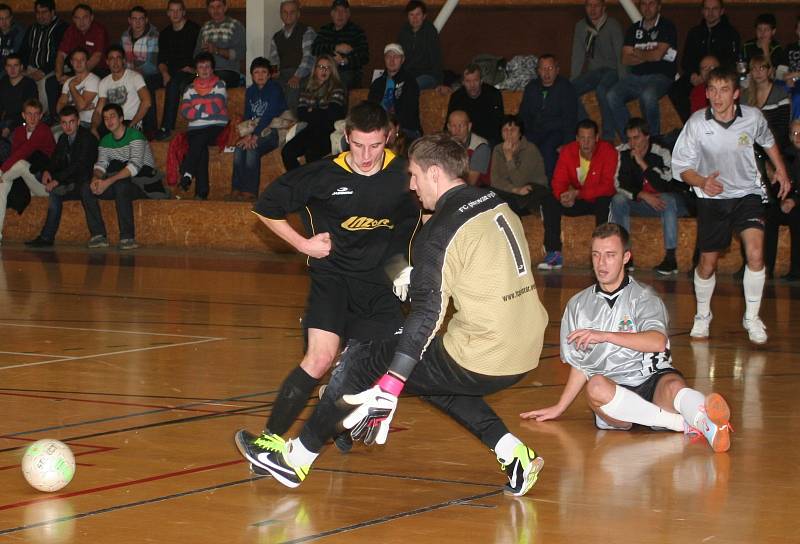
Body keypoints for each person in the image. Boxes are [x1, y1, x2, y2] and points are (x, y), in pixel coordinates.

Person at [234, 133, 548, 497]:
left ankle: (297, 458)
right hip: (527, 346)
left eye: (414, 176)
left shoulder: (440, 232)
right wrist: (417, 277)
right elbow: (476, 264)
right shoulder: (493, 199)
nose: (411, 186)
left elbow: (427, 316)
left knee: (369, 356)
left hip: (485, 353)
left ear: (434, 174)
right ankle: (514, 454)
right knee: (431, 374)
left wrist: (391, 383)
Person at [235, 101, 421, 468]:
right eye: (358, 145)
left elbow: (430, 210)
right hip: (332, 277)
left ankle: (336, 413)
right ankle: (269, 443)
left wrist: (409, 267)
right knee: (319, 357)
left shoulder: (406, 175)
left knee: (376, 370)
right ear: (345, 137)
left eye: (375, 146)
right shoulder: (321, 175)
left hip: (380, 285)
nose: (366, 156)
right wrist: (303, 244)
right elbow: (266, 207)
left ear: (389, 137)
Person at [520, 222, 733, 454]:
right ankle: (683, 424)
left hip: (652, 382)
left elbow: (657, 341)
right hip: (615, 398)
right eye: (596, 255)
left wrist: (606, 336)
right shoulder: (577, 306)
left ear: (626, 257)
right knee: (595, 386)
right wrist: (559, 407)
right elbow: (581, 365)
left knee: (673, 385)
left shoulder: (644, 297)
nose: (602, 263)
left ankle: (708, 424)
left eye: (610, 255)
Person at [671, 68, 791, 345]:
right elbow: (680, 168)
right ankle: (703, 315)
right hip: (712, 200)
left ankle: (752, 317)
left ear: (736, 93)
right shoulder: (697, 123)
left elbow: (769, 141)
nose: (716, 96)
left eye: (724, 89)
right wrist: (702, 181)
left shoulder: (752, 118)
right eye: (712, 89)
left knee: (756, 253)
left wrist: (781, 171)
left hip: (748, 194)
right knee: (707, 264)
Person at [610, 117, 688, 275]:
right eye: (629, 138)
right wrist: (642, 195)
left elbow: (666, 184)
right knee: (617, 200)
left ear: (646, 136)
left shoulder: (662, 150)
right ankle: (626, 255)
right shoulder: (623, 152)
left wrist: (643, 164)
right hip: (641, 202)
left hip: (666, 201)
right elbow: (619, 184)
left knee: (668, 199)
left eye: (636, 138)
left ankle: (670, 258)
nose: (632, 143)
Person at [81, 103, 158, 250]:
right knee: (86, 188)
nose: (109, 121)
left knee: (121, 186)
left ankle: (127, 238)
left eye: (112, 117)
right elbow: (100, 165)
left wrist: (107, 182)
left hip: (143, 183)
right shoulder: (105, 141)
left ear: (121, 118)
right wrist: (95, 179)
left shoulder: (135, 136)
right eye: (105, 118)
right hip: (119, 181)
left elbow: (134, 167)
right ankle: (98, 235)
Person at [542, 119, 617, 269]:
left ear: (597, 138)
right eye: (582, 138)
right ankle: (553, 253)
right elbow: (558, 181)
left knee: (605, 202)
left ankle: (601, 255)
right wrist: (563, 196)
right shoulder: (568, 151)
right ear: (577, 139)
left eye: (590, 138)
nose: (586, 143)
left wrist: (578, 194)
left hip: (597, 198)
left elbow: (608, 186)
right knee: (549, 200)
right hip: (578, 198)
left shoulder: (608, 151)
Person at [25, 105, 97, 247]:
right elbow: (55, 159)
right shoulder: (64, 138)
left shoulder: (88, 138)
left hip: (84, 182)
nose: (68, 126)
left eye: (71, 122)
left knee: (55, 190)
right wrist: (48, 171)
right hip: (69, 180)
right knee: (52, 189)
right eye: (64, 123)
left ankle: (46, 237)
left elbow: (80, 166)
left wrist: (57, 180)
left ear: (78, 121)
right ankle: (46, 238)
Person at [606, 0, 678, 141]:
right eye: (644, 4)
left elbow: (657, 56)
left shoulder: (667, 26)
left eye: (651, 4)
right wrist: (650, 54)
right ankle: (630, 141)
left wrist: (637, 52)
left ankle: (653, 141)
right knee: (611, 95)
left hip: (661, 76)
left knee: (648, 95)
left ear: (659, 6)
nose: (647, 8)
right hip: (635, 77)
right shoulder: (633, 29)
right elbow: (625, 59)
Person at [491, 115, 561, 258]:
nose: (509, 134)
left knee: (550, 202)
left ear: (520, 132)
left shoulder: (530, 149)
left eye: (513, 130)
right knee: (493, 197)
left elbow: (521, 180)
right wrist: (514, 190)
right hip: (513, 192)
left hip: (533, 191)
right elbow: (495, 180)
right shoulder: (498, 149)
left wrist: (509, 158)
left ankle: (553, 253)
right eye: (505, 130)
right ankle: (512, 253)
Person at [669, 0, 740, 122]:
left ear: (722, 11)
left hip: (720, 76)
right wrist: (693, 75)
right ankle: (688, 125)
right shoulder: (694, 33)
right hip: (696, 76)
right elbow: (686, 60)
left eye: (715, 9)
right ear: (702, 11)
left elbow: (732, 61)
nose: (710, 13)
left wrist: (710, 75)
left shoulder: (731, 34)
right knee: (675, 91)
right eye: (707, 9)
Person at [229, 57, 286, 202]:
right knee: (239, 148)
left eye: (263, 72)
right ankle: (236, 189)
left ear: (269, 74)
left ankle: (249, 191)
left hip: (272, 130)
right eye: (256, 72)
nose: (260, 75)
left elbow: (269, 115)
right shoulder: (250, 91)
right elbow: (248, 115)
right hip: (254, 129)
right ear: (252, 75)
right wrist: (247, 135)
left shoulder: (275, 89)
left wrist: (254, 135)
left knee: (252, 148)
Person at [0, 98, 55, 243]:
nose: (33, 118)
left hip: (44, 186)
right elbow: (14, 155)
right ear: (23, 115)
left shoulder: (44, 130)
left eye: (36, 114)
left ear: (41, 116)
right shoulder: (18, 131)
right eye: (29, 114)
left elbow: (23, 152)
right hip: (27, 182)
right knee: (2, 186)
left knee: (20, 164)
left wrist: (1, 172)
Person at [569, 0, 625, 141]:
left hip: (613, 70)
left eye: (597, 6)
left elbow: (621, 55)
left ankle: (608, 136)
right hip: (594, 71)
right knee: (569, 89)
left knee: (602, 90)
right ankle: (587, 127)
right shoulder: (581, 26)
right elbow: (578, 55)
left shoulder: (612, 25)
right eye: (589, 5)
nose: (592, 9)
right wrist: (573, 79)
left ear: (603, 8)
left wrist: (624, 79)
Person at [281, 55, 346, 171]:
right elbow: (301, 114)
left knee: (312, 154)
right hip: (310, 129)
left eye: (328, 67)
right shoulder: (308, 89)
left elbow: (332, 115)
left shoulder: (337, 88)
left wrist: (311, 111)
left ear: (332, 71)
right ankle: (299, 183)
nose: (324, 70)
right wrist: (320, 112)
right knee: (287, 152)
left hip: (329, 131)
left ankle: (311, 186)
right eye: (320, 67)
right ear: (315, 70)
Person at [177, 52, 228, 200]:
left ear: (212, 69)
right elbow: (186, 111)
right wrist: (206, 109)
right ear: (196, 70)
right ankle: (201, 192)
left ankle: (187, 173)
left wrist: (197, 107)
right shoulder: (189, 89)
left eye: (208, 66)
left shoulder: (220, 84)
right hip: (196, 129)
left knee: (199, 140)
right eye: (201, 67)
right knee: (200, 147)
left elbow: (217, 105)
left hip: (216, 127)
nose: (205, 70)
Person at [519, 53, 578, 180]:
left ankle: (550, 189)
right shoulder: (531, 87)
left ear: (557, 70)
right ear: (538, 71)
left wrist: (567, 144)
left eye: (550, 68)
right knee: (524, 149)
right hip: (534, 131)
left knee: (547, 150)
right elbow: (523, 114)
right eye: (543, 69)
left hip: (556, 132)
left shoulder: (566, 88)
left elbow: (570, 118)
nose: (546, 73)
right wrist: (520, 135)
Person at [154, 0, 200, 141]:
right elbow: (161, 60)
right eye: (172, 10)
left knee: (174, 83)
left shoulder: (194, 29)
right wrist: (164, 73)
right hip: (171, 72)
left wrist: (194, 69)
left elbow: (203, 56)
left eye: (178, 10)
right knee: (147, 82)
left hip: (191, 72)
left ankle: (166, 127)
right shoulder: (165, 33)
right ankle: (148, 128)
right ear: (168, 13)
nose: (175, 13)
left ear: (184, 12)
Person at [19, 0, 67, 119]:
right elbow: (24, 50)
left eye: (44, 12)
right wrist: (21, 67)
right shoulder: (32, 28)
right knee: (17, 80)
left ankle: (41, 117)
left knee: (43, 84)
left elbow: (60, 54)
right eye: (38, 12)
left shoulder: (62, 28)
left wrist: (43, 71)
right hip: (31, 67)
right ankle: (20, 117)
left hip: (52, 68)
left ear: (52, 12)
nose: (40, 16)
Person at [764, 119, 800, 280]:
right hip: (785, 200)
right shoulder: (786, 155)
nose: (798, 137)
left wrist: (794, 201)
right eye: (794, 133)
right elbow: (779, 183)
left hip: (797, 203)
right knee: (770, 217)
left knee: (797, 219)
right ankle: (766, 267)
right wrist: (782, 200)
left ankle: (796, 270)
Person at [267, 0, 316, 115]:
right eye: (285, 12)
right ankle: (270, 123)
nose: (288, 15)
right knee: (268, 86)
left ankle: (290, 122)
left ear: (298, 14)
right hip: (283, 74)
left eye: (292, 12)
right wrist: (274, 72)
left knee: (292, 87)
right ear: (280, 14)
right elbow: (273, 59)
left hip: (303, 75)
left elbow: (308, 58)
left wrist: (297, 76)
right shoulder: (277, 36)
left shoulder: (307, 31)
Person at [92, 45, 151, 137]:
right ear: (107, 62)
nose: (115, 62)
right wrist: (93, 127)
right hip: (112, 122)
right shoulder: (104, 82)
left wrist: (132, 124)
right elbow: (98, 111)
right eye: (111, 58)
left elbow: (147, 102)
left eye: (118, 58)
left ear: (124, 60)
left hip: (131, 121)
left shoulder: (135, 77)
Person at [367, 43, 421, 139]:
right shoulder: (377, 83)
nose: (392, 60)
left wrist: (392, 125)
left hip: (405, 129)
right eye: (388, 56)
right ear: (384, 59)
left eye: (396, 57)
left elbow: (409, 112)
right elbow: (371, 109)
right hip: (379, 127)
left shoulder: (409, 81)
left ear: (402, 60)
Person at [311, 0, 369, 90]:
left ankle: (335, 104)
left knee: (341, 79)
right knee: (311, 79)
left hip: (347, 71)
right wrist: (336, 47)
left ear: (348, 14)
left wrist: (344, 61)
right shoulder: (325, 30)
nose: (340, 14)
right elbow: (315, 49)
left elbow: (364, 55)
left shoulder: (357, 31)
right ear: (332, 14)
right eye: (337, 11)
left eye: (343, 11)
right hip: (325, 68)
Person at [120, 6, 160, 134]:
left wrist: (135, 67)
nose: (137, 22)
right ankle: (123, 124)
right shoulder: (125, 37)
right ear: (129, 20)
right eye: (134, 19)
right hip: (130, 74)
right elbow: (121, 61)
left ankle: (150, 129)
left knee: (146, 86)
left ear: (146, 20)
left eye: (141, 19)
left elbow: (153, 65)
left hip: (150, 74)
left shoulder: (154, 35)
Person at [445, 64, 504, 147]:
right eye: (468, 81)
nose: (472, 85)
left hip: (488, 140)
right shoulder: (457, 97)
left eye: (475, 80)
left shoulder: (493, 95)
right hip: (462, 140)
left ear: (481, 81)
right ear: (463, 83)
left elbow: (499, 125)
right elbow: (449, 125)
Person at [744, 54, 791, 153]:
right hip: (751, 146)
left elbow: (782, 130)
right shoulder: (745, 95)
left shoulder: (779, 93)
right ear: (750, 72)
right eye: (754, 69)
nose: (758, 72)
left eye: (762, 68)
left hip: (776, 145)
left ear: (769, 71)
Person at [194, 0, 245, 88]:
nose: (215, 10)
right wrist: (203, 53)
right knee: (185, 84)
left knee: (212, 84)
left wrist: (216, 50)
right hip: (204, 71)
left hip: (228, 71)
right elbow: (196, 55)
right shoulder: (205, 27)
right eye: (212, 7)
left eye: (219, 7)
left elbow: (240, 53)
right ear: (208, 10)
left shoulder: (235, 25)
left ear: (225, 8)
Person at [55, 3, 109, 83]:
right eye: (78, 18)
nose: (81, 22)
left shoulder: (99, 31)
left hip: (97, 69)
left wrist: (75, 77)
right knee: (53, 82)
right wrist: (59, 75)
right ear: (73, 19)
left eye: (85, 17)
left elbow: (96, 57)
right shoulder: (71, 30)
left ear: (91, 17)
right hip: (76, 68)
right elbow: (61, 54)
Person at [396, 0, 442, 90]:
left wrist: (439, 82)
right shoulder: (403, 32)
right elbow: (397, 55)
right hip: (407, 75)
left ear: (424, 16)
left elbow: (436, 58)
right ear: (407, 17)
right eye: (411, 15)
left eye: (418, 14)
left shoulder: (430, 32)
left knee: (412, 86)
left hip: (427, 75)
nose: (415, 18)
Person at [0, 54, 37, 159]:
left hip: (22, 123)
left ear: (21, 67)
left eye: (15, 65)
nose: (12, 69)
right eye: (9, 66)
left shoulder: (29, 84)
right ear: (5, 68)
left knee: (8, 147)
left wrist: (9, 127)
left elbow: (30, 111)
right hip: (5, 120)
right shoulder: (4, 82)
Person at [55, 48, 99, 128]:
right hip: (69, 122)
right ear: (71, 62)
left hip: (87, 123)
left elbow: (81, 105)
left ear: (87, 62)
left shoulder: (93, 80)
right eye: (75, 60)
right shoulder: (68, 81)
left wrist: (72, 87)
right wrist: (77, 108)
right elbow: (59, 108)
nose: (78, 63)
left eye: (82, 59)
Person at [447, 110, 491, 186]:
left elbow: (471, 182)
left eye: (461, 125)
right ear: (448, 127)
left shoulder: (481, 146)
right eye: (454, 126)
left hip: (479, 190)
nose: (457, 130)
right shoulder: (446, 143)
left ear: (469, 126)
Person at [742, 13, 789, 80]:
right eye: (759, 29)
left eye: (766, 30)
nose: (762, 33)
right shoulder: (747, 45)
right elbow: (742, 68)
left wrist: (766, 51)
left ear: (773, 31)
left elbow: (773, 75)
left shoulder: (777, 49)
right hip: (749, 79)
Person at [0, 3, 25, 71]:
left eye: (6, 18)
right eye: (1, 19)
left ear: (11, 18)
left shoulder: (18, 32)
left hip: (11, 68)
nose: (4, 22)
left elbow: (14, 55)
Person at [785, 17, 799, 120]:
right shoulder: (790, 47)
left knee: (797, 97)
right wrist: (786, 77)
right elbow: (781, 69)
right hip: (788, 79)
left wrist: (796, 75)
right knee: (776, 91)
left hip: (797, 79)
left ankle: (795, 127)